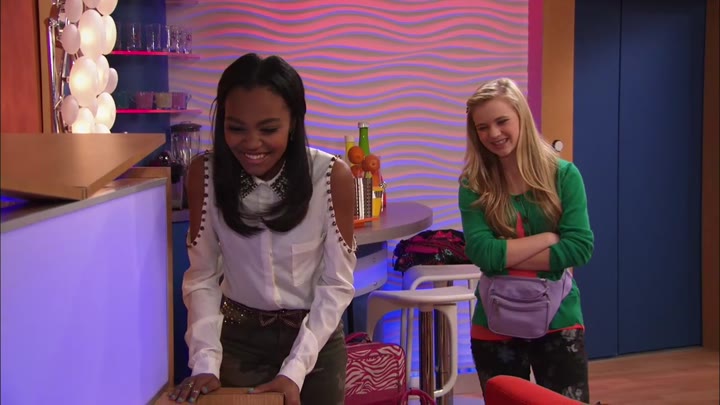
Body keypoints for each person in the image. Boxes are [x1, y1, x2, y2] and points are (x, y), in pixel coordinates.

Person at [169, 53, 357, 405]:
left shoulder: (331, 176)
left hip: (315, 342)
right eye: (236, 128)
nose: (252, 143)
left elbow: (336, 284)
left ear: (293, 123)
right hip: (238, 342)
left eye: (268, 129)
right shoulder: (205, 174)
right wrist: (205, 361)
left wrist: (295, 369)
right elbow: (202, 277)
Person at [458, 78, 594, 402]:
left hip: (559, 320)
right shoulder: (473, 185)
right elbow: (482, 253)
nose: (493, 133)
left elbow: (579, 248)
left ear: (521, 117)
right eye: (482, 127)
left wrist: (503, 255)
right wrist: (547, 238)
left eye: (501, 121)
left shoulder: (564, 175)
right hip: (495, 324)